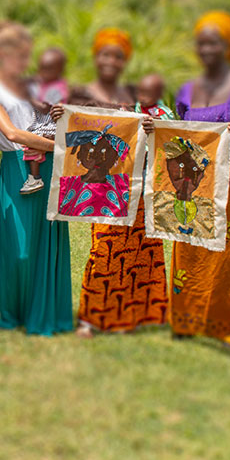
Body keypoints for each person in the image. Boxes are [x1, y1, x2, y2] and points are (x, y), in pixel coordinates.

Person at [65, 28, 167, 337]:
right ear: (96, 57)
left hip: (138, 181)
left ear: (125, 61)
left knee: (139, 248)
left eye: (118, 56)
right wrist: (62, 114)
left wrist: (153, 125)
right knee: (105, 247)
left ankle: (133, 314)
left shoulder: (133, 94)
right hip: (102, 184)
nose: (111, 61)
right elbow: (72, 133)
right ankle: (94, 315)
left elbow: (161, 126)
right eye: (105, 54)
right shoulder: (82, 92)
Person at [170, 11, 230, 345]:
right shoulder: (186, 90)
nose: (207, 49)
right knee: (190, 249)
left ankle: (225, 323)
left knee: (227, 254)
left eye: (215, 43)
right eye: (202, 43)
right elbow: (177, 133)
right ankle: (186, 319)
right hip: (192, 187)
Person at [0, 22, 72, 335]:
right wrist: (62, 149)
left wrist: (62, 122)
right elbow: (11, 133)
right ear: (1, 54)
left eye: (25, 55)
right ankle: (14, 312)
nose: (22, 61)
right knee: (18, 250)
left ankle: (46, 313)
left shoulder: (35, 86)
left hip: (46, 168)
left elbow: (57, 115)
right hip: (16, 168)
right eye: (16, 55)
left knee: (44, 246)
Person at [21, 48, 68, 193]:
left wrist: (29, 97)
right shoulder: (46, 84)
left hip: (49, 125)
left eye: (48, 69)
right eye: (41, 69)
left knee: (32, 144)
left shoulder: (57, 88)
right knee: (34, 146)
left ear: (59, 70)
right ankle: (35, 177)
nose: (43, 73)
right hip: (44, 125)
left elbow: (44, 108)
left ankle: (35, 177)